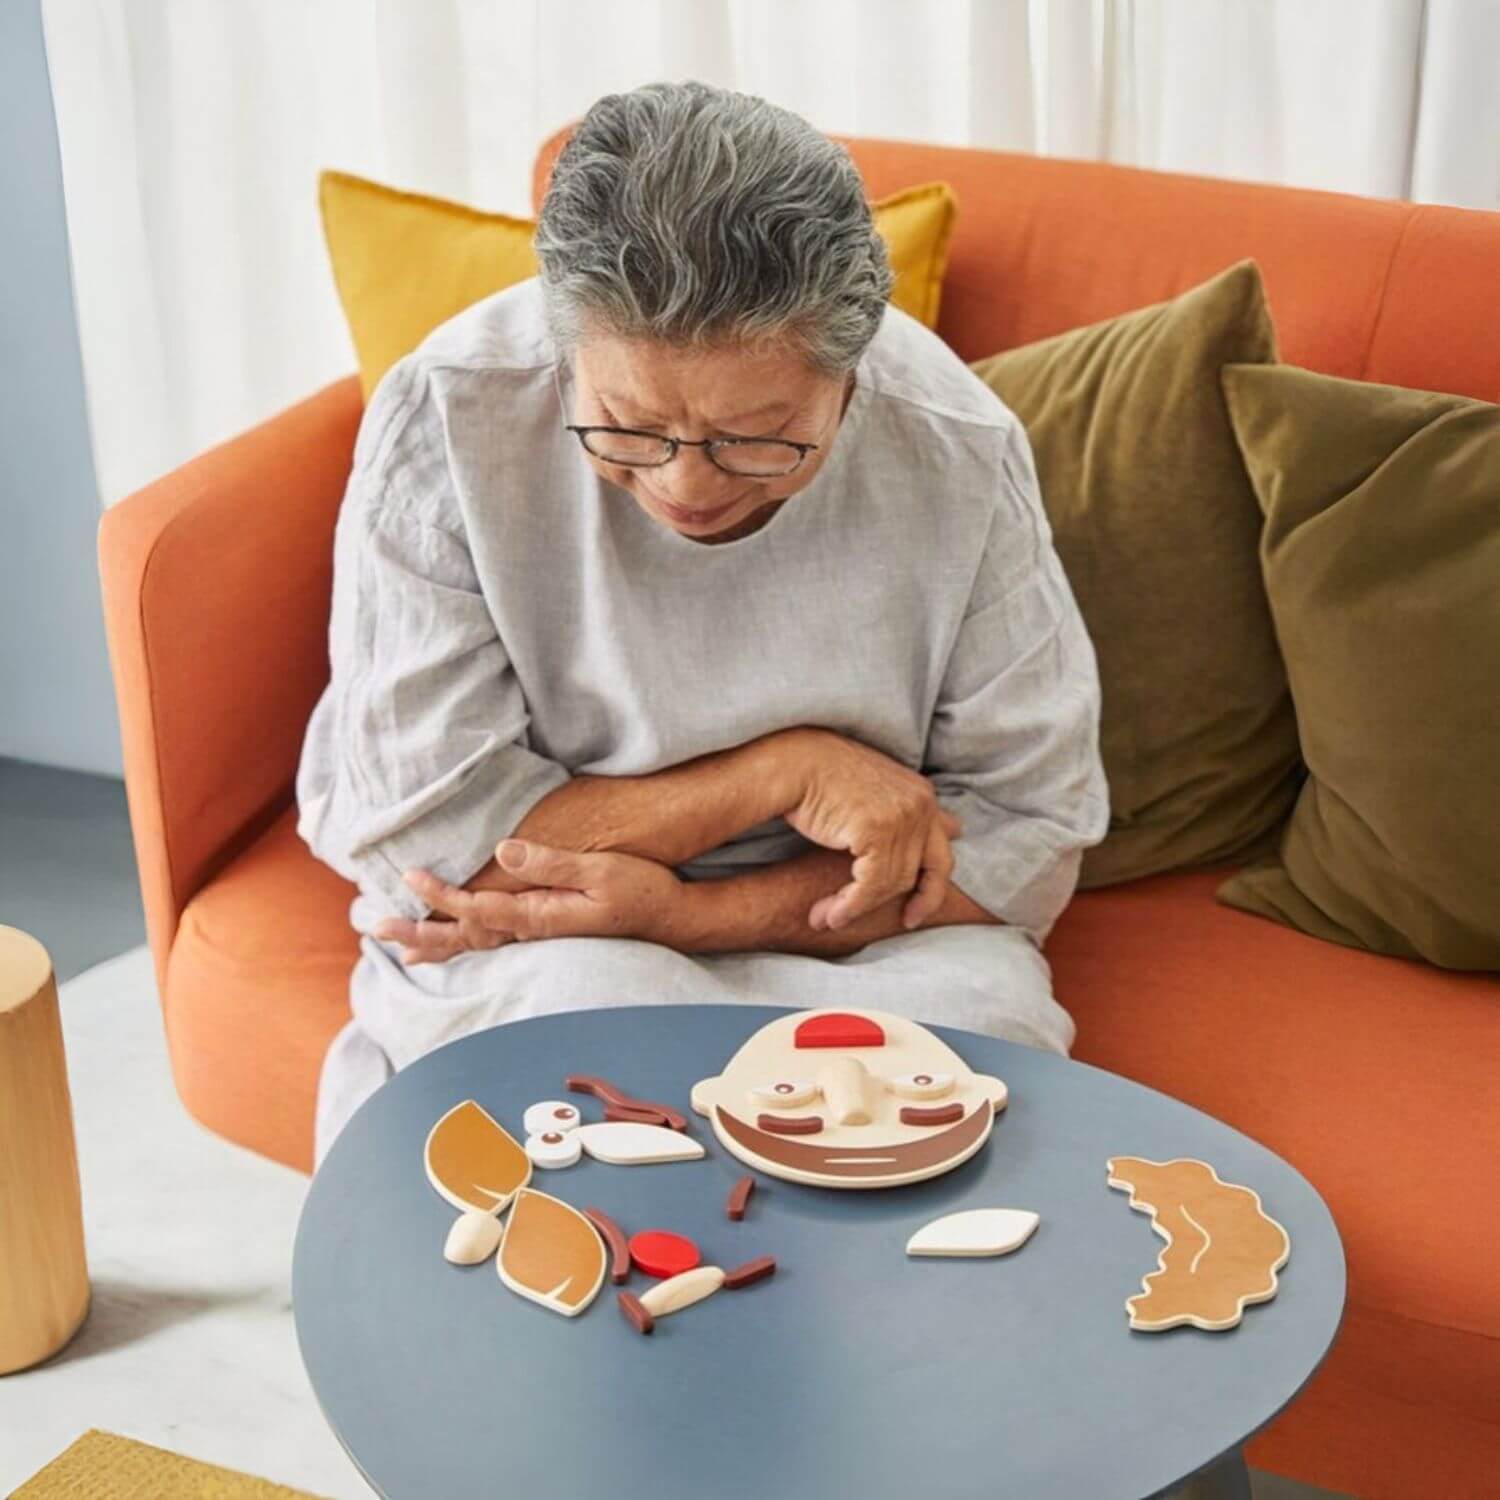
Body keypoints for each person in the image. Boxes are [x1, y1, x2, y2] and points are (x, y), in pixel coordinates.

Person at [295, 79, 1109, 1169]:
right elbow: (434, 850)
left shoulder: (955, 443)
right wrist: (779, 775)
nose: (685, 486)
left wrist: (684, 915)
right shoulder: (451, 411)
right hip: (542, 944)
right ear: (566, 344)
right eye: (628, 427)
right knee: (577, 1113)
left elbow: (1025, 835)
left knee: (956, 1136)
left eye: (759, 439)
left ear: (850, 377)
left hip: (876, 941)